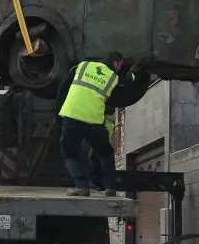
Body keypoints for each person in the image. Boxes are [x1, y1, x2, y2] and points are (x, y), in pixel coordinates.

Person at [55, 52, 137, 197]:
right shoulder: (113, 78)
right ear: (116, 64)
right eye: (120, 66)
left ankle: (81, 186)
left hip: (73, 117)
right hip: (94, 121)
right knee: (105, 153)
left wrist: (58, 115)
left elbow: (63, 88)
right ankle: (110, 187)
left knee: (69, 152)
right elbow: (123, 95)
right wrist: (133, 77)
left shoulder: (83, 66)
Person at [87, 106, 117, 192]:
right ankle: (98, 184)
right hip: (101, 133)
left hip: (103, 133)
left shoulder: (109, 105)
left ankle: (96, 183)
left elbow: (110, 110)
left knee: (94, 158)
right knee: (94, 158)